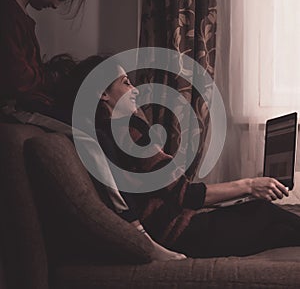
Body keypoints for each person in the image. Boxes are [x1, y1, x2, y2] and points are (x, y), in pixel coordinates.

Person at [53, 55, 300, 261]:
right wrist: (248, 186)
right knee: (265, 214)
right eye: (126, 82)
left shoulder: (109, 133)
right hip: (179, 234)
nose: (135, 90)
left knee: (279, 227)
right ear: (102, 94)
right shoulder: (127, 132)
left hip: (175, 228)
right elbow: (184, 194)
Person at [0, 0, 87, 118]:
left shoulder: (20, 16)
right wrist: (51, 78)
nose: (55, 5)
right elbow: (18, 80)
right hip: (14, 108)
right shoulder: (7, 13)